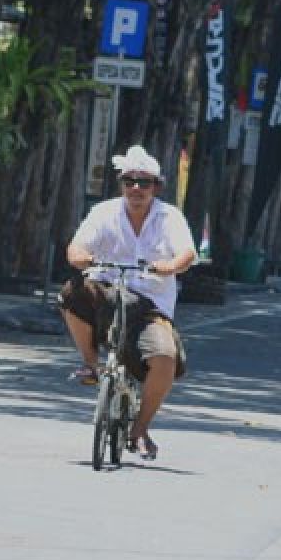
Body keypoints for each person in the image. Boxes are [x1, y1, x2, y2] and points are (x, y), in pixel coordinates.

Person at [58, 145, 197, 460]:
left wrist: (171, 266)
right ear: (121, 184)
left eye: (144, 182)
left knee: (164, 356)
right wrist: (81, 257)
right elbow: (76, 248)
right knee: (71, 292)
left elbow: (187, 253)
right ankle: (91, 364)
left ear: (156, 187)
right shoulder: (104, 212)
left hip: (150, 305)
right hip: (108, 290)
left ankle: (139, 429)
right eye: (129, 181)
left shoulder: (169, 216)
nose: (136, 188)